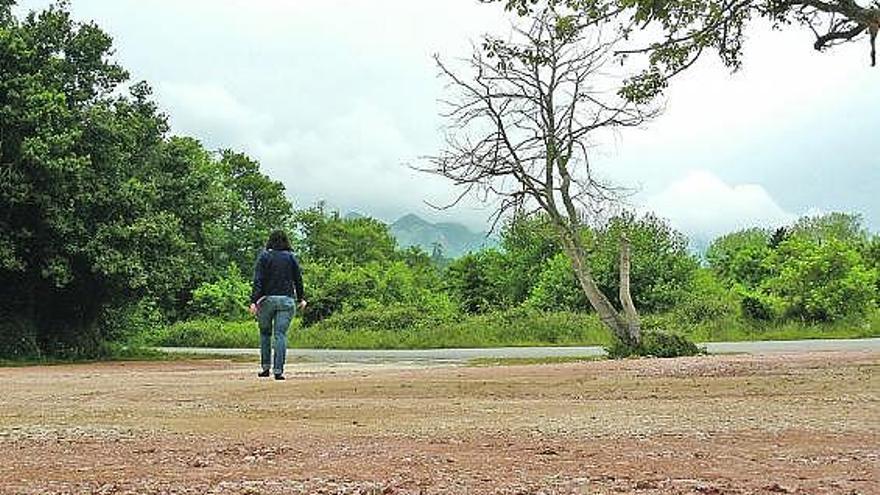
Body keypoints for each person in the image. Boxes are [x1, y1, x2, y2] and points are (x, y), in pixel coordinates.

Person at [249, 230, 307, 380]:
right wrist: (301, 298)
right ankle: (278, 371)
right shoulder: (291, 257)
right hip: (287, 300)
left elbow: (258, 280)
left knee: (265, 334)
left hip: (266, 300)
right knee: (280, 334)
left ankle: (265, 368)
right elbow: (298, 279)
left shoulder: (264, 256)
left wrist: (254, 301)